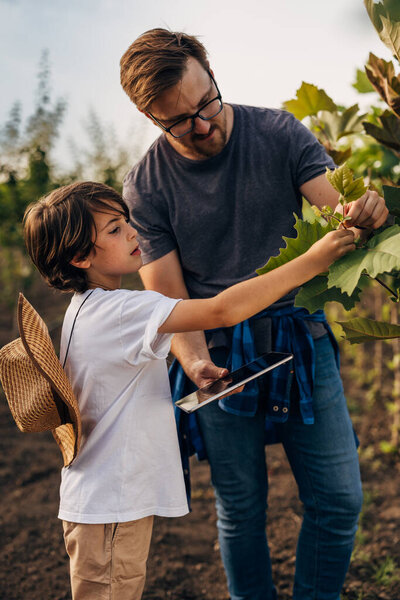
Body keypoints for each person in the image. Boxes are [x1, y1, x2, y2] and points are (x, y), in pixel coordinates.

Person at [119, 29, 389, 600]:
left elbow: (336, 212)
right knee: (241, 507)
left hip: (300, 337)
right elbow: (170, 304)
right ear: (150, 117)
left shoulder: (279, 132)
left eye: (207, 103)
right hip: (218, 354)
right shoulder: (146, 186)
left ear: (212, 76)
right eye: (180, 121)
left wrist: (363, 212)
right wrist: (194, 364)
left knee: (339, 500)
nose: (204, 124)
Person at [22, 181, 354, 600]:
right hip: (111, 504)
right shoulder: (121, 310)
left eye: (126, 221)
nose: (131, 232)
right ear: (79, 255)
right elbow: (222, 310)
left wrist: (196, 366)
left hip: (104, 501)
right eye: (112, 229)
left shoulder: (89, 308)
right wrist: (312, 260)